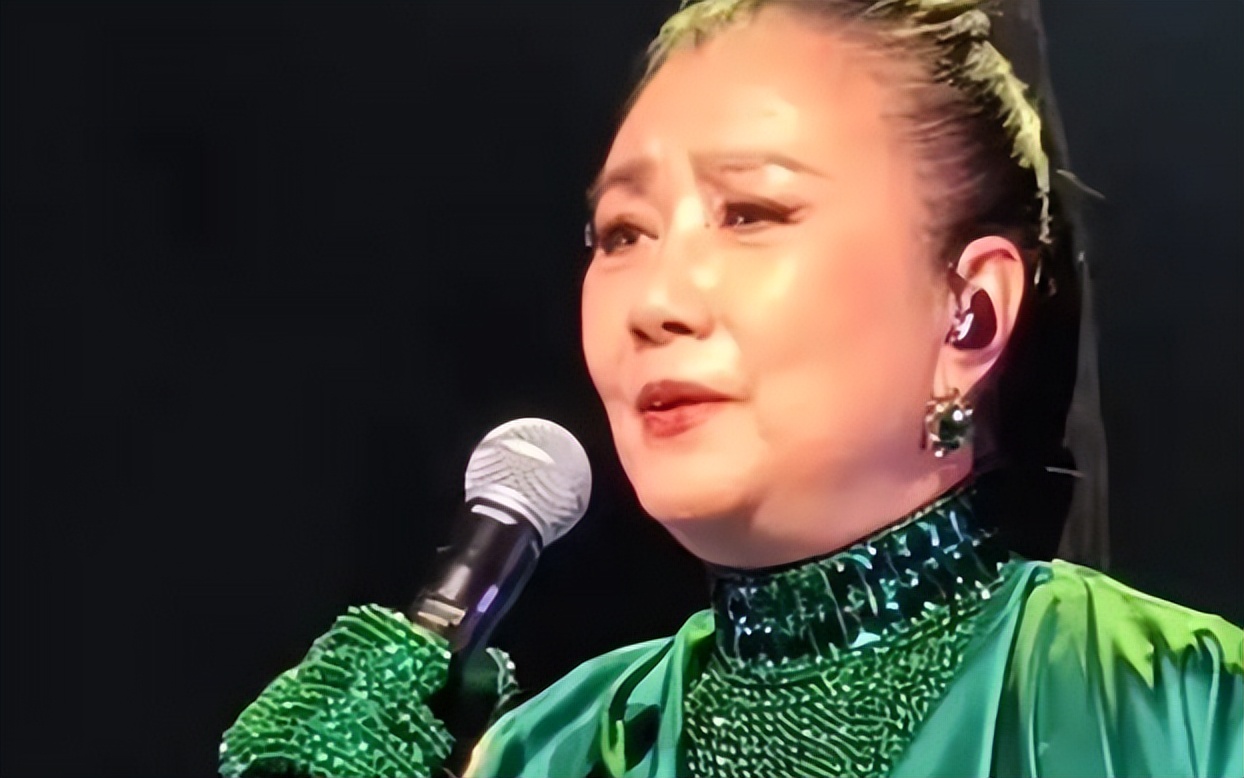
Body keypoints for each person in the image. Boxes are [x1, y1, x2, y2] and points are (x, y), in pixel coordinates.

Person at [219, 1, 1244, 776]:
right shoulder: (546, 752)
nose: (654, 299)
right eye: (622, 232)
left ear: (968, 313)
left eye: (749, 213)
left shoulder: (1183, 711)